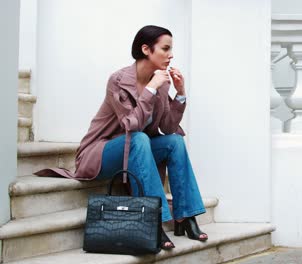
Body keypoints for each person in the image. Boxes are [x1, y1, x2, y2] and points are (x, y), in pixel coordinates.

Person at [35, 25, 208, 250]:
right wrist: (151, 90)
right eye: (165, 49)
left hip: (136, 148)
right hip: (100, 152)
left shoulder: (162, 83)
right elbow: (131, 125)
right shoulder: (119, 80)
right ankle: (152, 219)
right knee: (139, 138)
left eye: (171, 49)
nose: (171, 54)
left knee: (174, 141)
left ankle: (185, 217)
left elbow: (168, 126)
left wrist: (181, 93)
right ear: (146, 49)